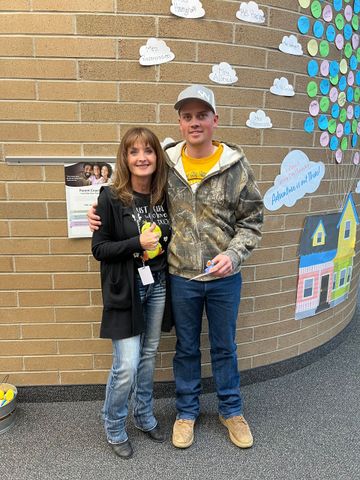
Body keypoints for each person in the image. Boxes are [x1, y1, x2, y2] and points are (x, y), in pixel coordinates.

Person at [89, 85, 264, 450]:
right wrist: (97, 210)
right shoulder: (167, 162)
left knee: (224, 347)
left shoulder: (235, 166)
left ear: (215, 120)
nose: (195, 122)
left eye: (202, 115)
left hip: (224, 278)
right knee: (185, 348)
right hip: (180, 276)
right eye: (187, 116)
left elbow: (252, 221)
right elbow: (129, 176)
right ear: (180, 123)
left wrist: (233, 255)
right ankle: (186, 412)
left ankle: (231, 411)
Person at [91, 127, 172, 459]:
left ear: (157, 157)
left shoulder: (164, 195)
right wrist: (135, 243)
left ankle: (143, 416)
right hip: (125, 287)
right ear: (125, 158)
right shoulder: (110, 197)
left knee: (149, 355)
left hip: (158, 284)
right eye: (134, 151)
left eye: (149, 151)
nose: (142, 157)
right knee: (126, 363)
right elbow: (100, 249)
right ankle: (113, 426)